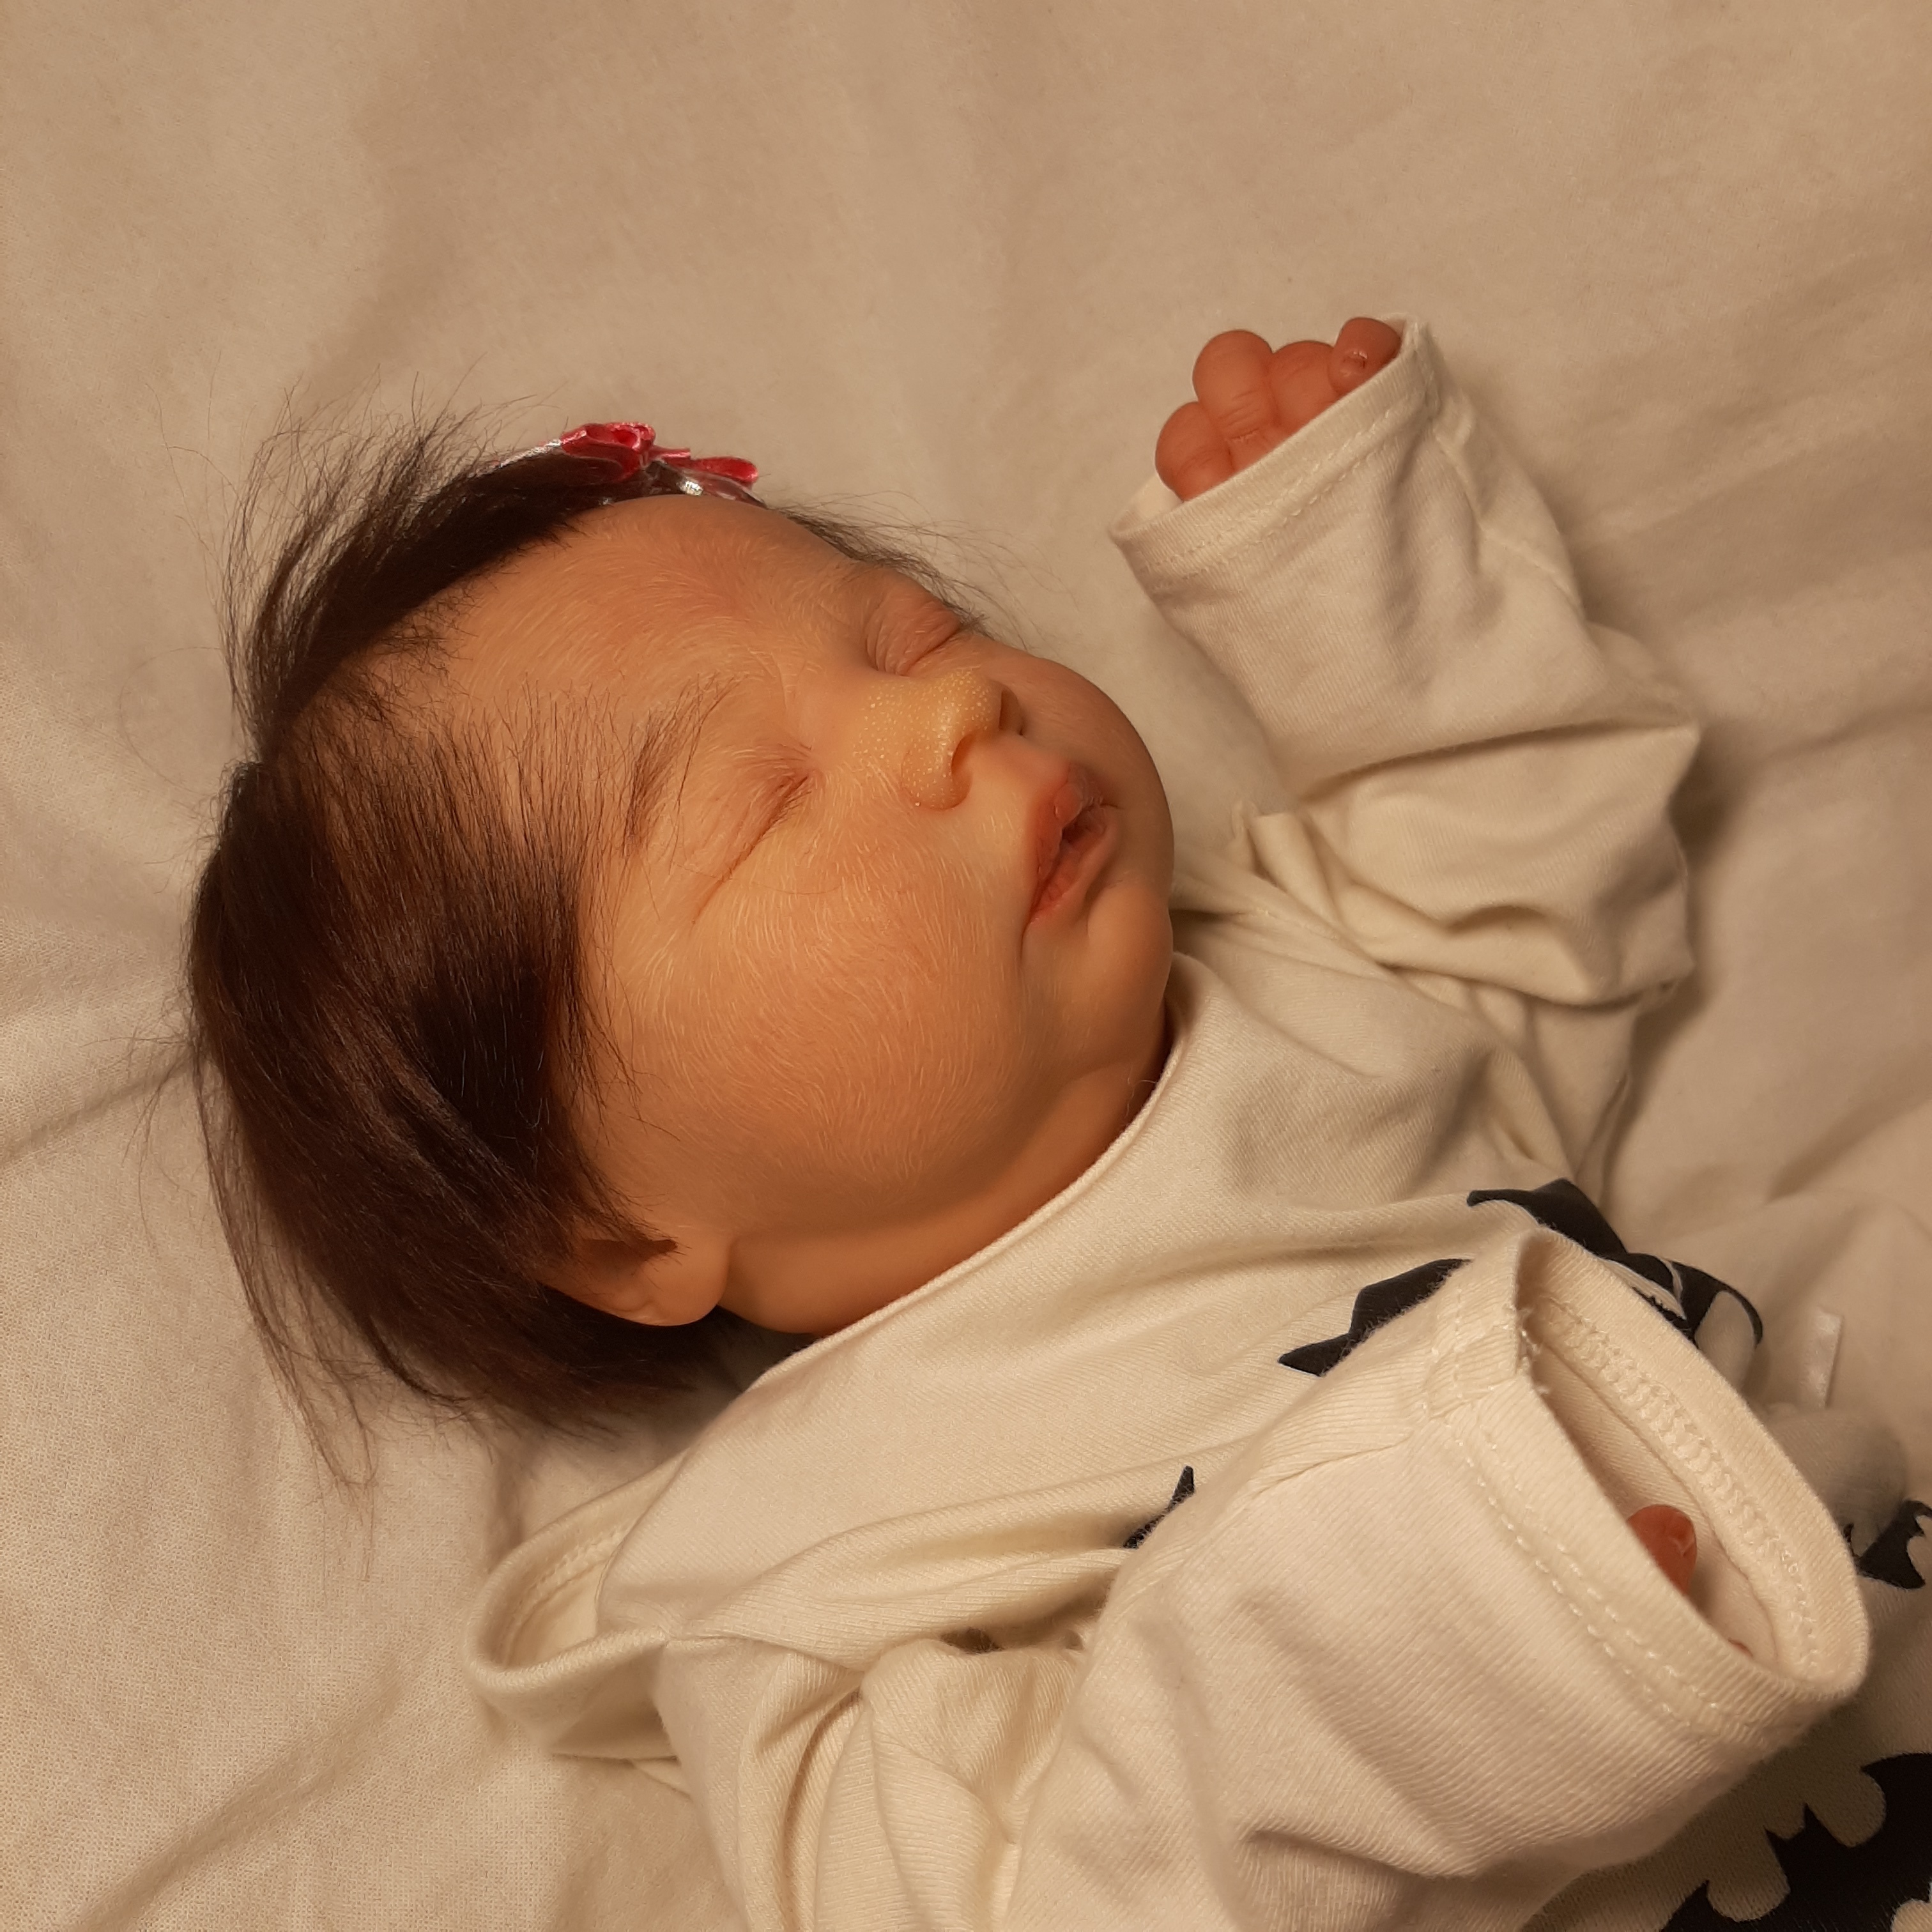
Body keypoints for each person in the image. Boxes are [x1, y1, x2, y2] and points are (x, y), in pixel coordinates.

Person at [189, 316, 1876, 1929]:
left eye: (917, 635)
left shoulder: (1310, 992)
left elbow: (1532, 875)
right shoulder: (829, 1566)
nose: (954, 709)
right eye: (766, 801)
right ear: (618, 1231)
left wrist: (1351, 563)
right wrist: (1386, 1679)